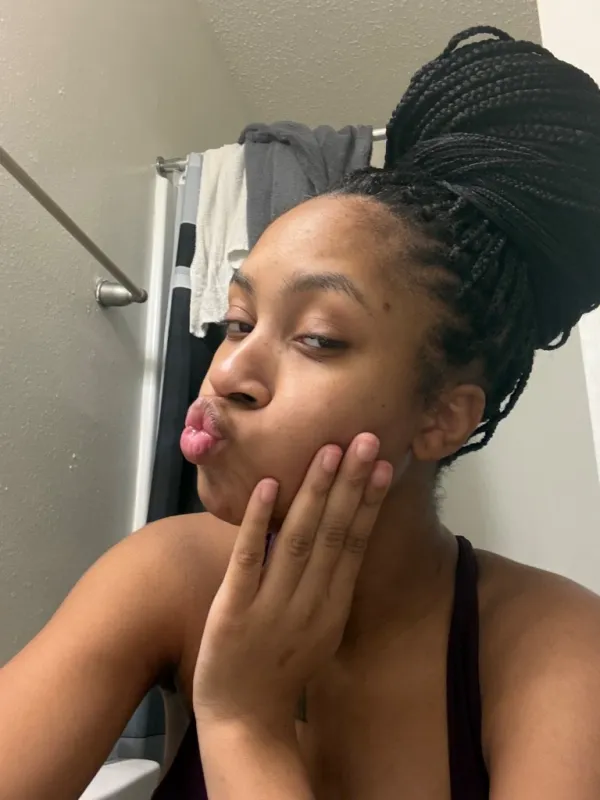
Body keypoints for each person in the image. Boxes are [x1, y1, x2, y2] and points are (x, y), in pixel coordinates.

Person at [2, 24, 600, 800]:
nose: (227, 373)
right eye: (238, 322)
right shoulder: (168, 574)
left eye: (316, 337)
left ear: (443, 417)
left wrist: (243, 719)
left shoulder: (556, 646)